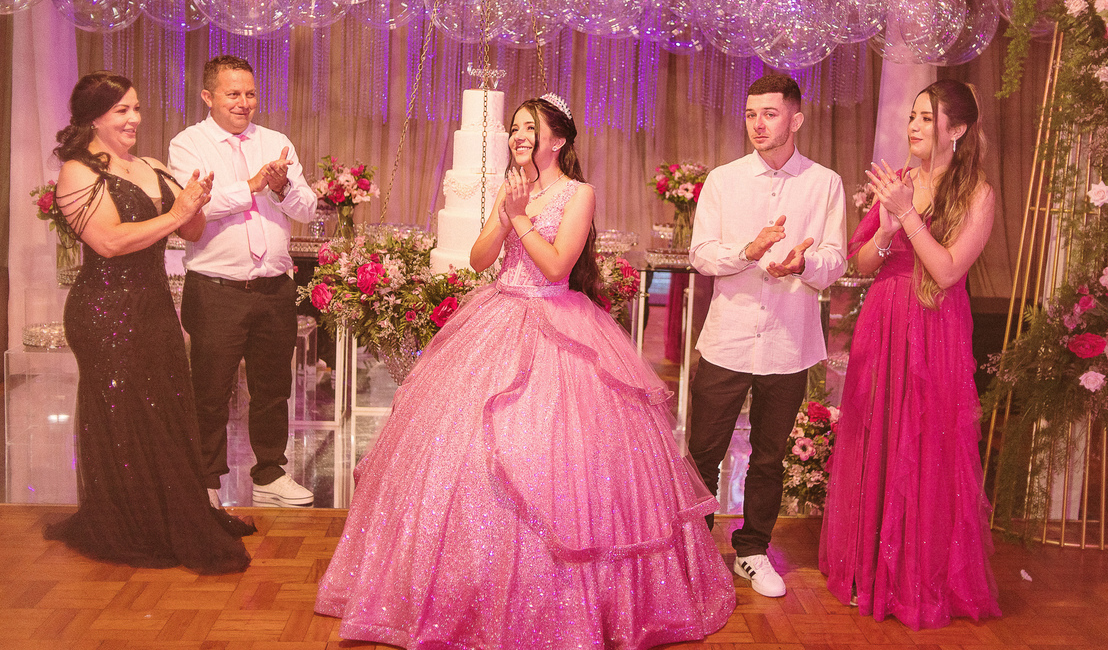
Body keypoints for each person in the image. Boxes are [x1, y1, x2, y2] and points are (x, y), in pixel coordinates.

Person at [316, 95, 735, 648]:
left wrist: (518, 217)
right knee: (462, 450)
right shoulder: (511, 186)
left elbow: (558, 266)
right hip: (497, 315)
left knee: (561, 456)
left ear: (557, 140)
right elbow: (479, 260)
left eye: (528, 127)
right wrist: (504, 214)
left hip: (559, 320)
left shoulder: (579, 193)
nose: (517, 135)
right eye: (514, 127)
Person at [44, 71, 254, 574]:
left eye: (136, 108)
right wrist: (177, 212)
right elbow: (109, 242)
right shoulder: (77, 172)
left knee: (165, 408)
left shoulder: (152, 166)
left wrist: (196, 203)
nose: (133, 119)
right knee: (125, 414)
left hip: (154, 306)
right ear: (94, 117)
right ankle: (130, 522)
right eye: (121, 110)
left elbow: (192, 230)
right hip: (105, 310)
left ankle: (169, 514)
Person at [819, 79, 1001, 629]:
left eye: (927, 117)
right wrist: (886, 228)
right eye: (913, 116)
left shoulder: (978, 194)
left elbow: (946, 272)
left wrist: (909, 216)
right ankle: (869, 570)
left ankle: (916, 579)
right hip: (883, 321)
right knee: (876, 435)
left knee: (924, 444)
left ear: (957, 128)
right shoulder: (900, 181)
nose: (914, 126)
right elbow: (862, 263)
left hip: (934, 327)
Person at [688, 73, 847, 598]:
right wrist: (748, 252)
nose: (758, 124)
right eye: (751, 114)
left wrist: (803, 263)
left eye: (770, 114)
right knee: (703, 453)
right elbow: (701, 254)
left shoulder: (824, 183)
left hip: (788, 341)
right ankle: (693, 553)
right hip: (727, 339)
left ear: (796, 119)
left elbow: (835, 259)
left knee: (769, 456)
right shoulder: (724, 180)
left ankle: (752, 550)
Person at [169, 55, 318, 508]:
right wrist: (252, 185)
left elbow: (308, 207)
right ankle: (206, 481)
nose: (244, 102)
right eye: (233, 94)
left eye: (250, 94)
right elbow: (194, 206)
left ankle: (270, 474)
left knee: (272, 389)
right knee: (210, 391)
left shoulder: (275, 142)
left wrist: (281, 187)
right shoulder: (187, 144)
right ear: (208, 96)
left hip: (274, 288)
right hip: (216, 289)